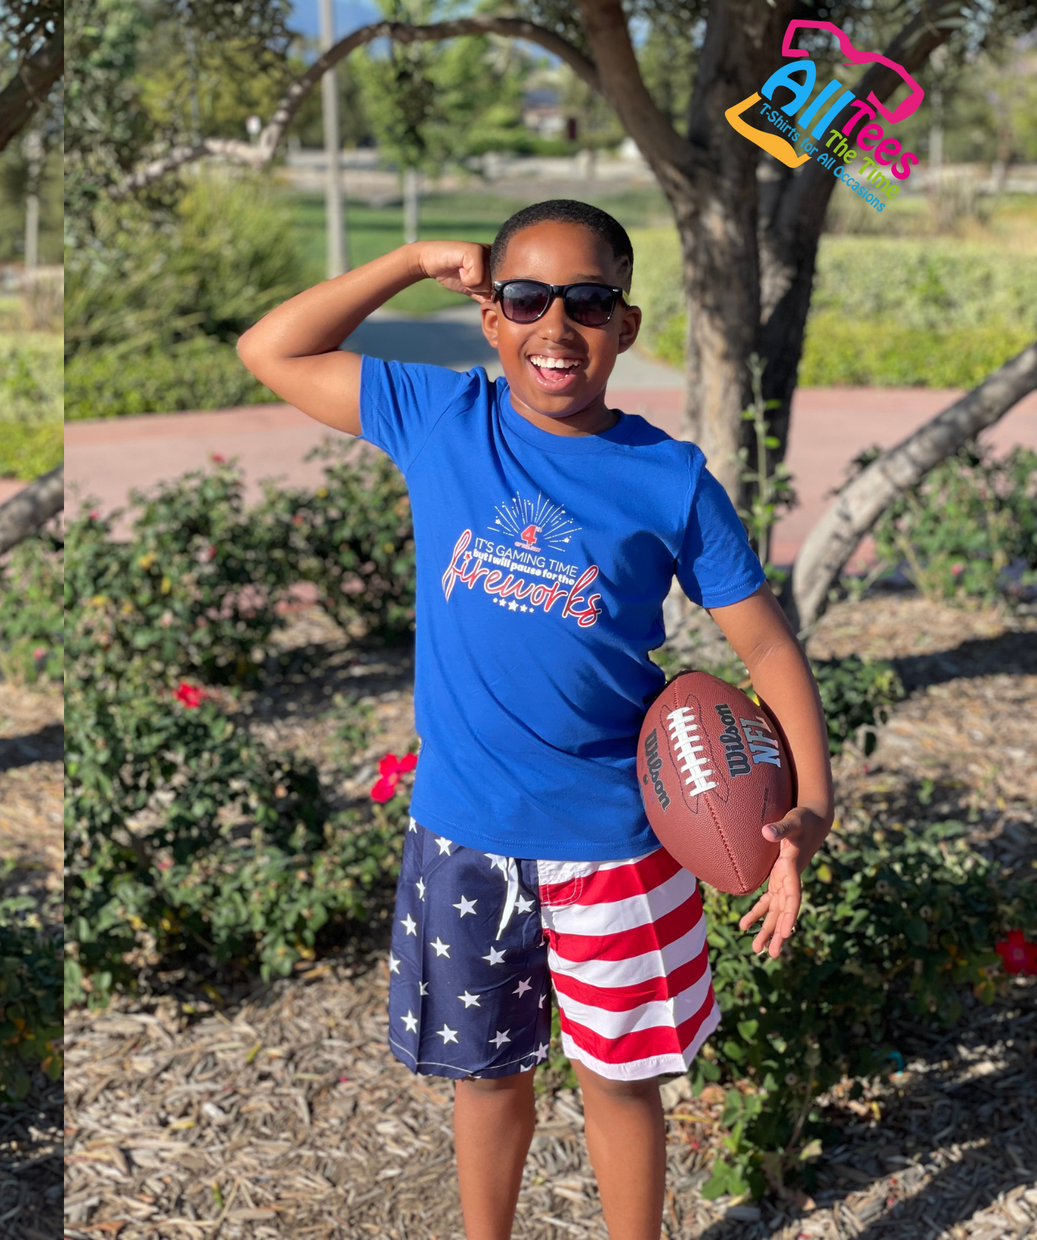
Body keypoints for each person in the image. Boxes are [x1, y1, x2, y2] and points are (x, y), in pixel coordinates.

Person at [235, 201, 835, 1240]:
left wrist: (810, 807)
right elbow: (270, 348)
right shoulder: (440, 418)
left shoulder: (668, 479)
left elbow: (769, 650)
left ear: (625, 325)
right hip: (463, 833)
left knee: (620, 1085)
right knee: (485, 1081)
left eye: (587, 302)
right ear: (489, 316)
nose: (555, 328)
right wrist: (410, 259)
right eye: (524, 299)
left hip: (614, 843)